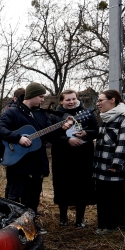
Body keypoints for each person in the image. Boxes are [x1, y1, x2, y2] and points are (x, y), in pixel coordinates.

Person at [0, 82, 72, 222]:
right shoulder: (13, 112)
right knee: (15, 197)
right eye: (40, 96)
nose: (42, 100)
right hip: (18, 163)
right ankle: (11, 225)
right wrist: (18, 138)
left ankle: (30, 225)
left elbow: (50, 136)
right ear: (31, 95)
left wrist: (62, 129)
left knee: (33, 198)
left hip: (37, 163)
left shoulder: (41, 114)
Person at [93, 90, 125, 234]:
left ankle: (114, 225)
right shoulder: (108, 118)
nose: (98, 104)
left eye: (101, 100)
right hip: (102, 165)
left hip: (113, 167)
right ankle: (104, 223)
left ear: (112, 100)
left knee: (114, 196)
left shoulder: (124, 119)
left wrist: (116, 164)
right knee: (103, 195)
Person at [50, 90, 98, 227]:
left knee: (82, 185)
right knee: (62, 185)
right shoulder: (55, 116)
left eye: (73, 99)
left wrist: (86, 133)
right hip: (62, 156)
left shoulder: (87, 113)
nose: (71, 102)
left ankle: (80, 219)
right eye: (67, 100)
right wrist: (67, 140)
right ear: (61, 101)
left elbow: (96, 130)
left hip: (83, 156)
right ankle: (63, 217)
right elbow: (51, 136)